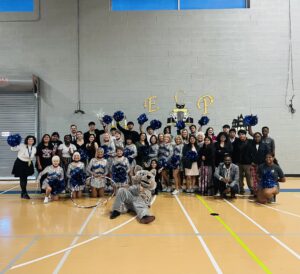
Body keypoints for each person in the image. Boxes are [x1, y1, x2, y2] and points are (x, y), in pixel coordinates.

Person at [232, 129, 253, 195]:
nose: (241, 136)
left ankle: (252, 189)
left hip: (248, 163)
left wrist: (252, 160)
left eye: (242, 134)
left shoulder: (251, 141)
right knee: (239, 177)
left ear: (245, 134)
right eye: (240, 134)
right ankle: (241, 189)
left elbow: (253, 152)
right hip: (238, 163)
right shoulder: (236, 142)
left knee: (249, 177)